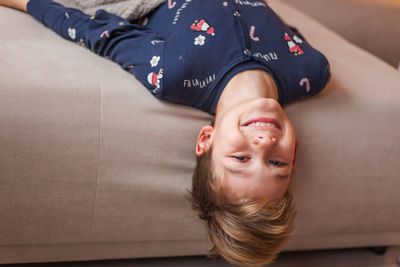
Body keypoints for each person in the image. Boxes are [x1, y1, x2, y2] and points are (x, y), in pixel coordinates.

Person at [0, 0, 330, 265]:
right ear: (295, 152)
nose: (264, 144)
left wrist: (28, 3)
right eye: (277, 164)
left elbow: (97, 32)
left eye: (241, 158)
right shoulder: (311, 69)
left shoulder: (173, 73)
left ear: (206, 140)